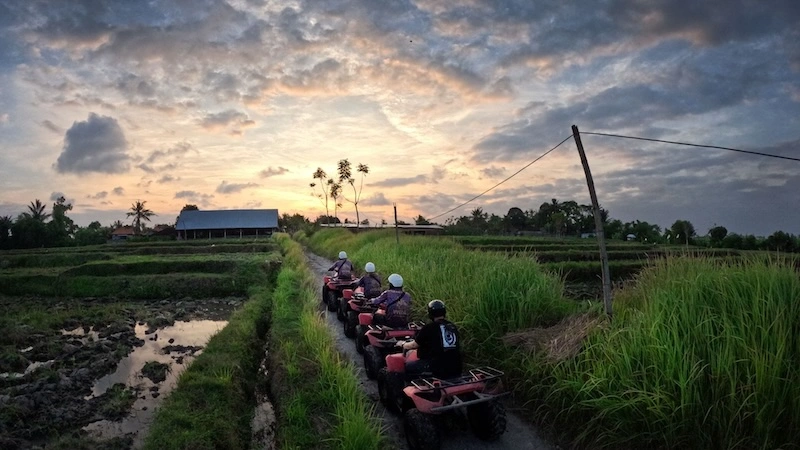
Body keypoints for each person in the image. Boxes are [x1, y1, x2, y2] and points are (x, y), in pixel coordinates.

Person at [403, 299, 462, 379]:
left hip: (437, 368)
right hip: (456, 367)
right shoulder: (452, 326)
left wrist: (403, 344)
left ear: (430, 314)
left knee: (408, 366)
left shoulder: (429, 328)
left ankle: (405, 388)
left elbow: (414, 345)